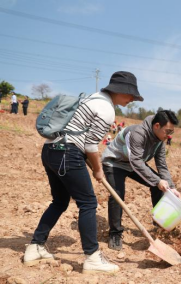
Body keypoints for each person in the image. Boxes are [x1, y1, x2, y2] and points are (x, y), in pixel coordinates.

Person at [24, 71, 143, 273]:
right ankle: (92, 257)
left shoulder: (92, 97)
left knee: (60, 202)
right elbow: (90, 146)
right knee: (88, 203)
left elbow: (84, 141)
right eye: (130, 95)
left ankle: (35, 247)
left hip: (50, 150)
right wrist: (98, 170)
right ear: (120, 91)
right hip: (68, 153)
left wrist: (93, 165)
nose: (131, 99)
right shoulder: (106, 110)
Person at [102, 110, 181, 251]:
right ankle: (115, 234)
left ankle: (160, 225)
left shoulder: (160, 140)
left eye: (171, 132)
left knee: (159, 187)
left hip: (133, 163)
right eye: (167, 131)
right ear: (157, 126)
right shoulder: (138, 133)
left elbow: (161, 164)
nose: (169, 135)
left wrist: (171, 187)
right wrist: (157, 180)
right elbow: (136, 162)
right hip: (115, 163)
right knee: (117, 195)